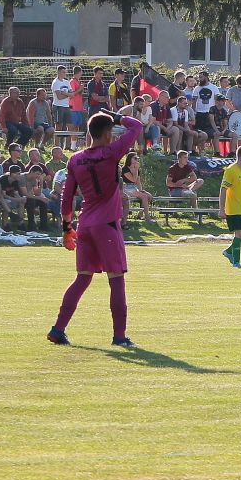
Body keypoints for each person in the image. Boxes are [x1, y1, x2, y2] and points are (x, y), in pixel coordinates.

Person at [47, 111, 143, 348]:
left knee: (81, 279)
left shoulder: (75, 159)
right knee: (116, 279)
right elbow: (137, 126)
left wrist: (67, 228)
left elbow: (66, 198)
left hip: (85, 225)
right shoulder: (111, 153)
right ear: (108, 134)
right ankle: (119, 337)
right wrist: (116, 116)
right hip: (107, 225)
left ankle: (57, 329)